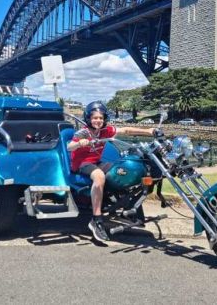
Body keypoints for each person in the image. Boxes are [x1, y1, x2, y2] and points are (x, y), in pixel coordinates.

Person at [67, 101, 158, 242]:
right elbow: (70, 146)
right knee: (99, 177)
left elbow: (125, 130)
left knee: (122, 171)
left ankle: (128, 210)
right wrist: (80, 143)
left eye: (101, 118)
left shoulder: (105, 131)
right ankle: (96, 220)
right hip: (82, 164)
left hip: (96, 162)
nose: (98, 121)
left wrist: (148, 131)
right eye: (95, 118)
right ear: (88, 118)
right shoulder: (83, 132)